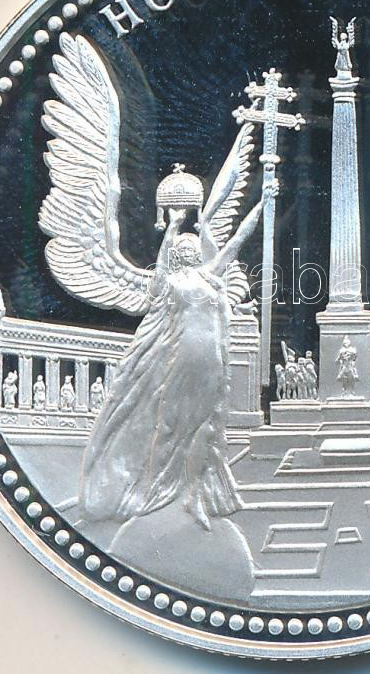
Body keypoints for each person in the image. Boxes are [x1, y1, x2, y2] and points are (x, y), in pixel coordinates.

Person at [78, 184, 269, 530]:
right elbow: (163, 261)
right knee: (168, 427)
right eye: (184, 248)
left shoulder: (210, 276)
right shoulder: (168, 284)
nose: (189, 249)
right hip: (180, 361)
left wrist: (263, 202)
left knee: (204, 429)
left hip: (212, 364)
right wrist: (172, 227)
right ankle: (153, 491)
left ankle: (194, 495)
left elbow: (237, 241)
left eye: (191, 247)